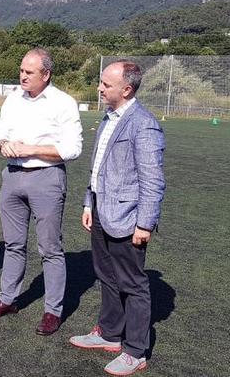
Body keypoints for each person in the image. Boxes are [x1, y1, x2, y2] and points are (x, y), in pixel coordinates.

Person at [69, 60, 165, 376]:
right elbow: (99, 168)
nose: (99, 88)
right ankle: (110, 334)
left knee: (133, 284)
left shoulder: (144, 124)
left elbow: (152, 179)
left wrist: (145, 223)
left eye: (106, 84)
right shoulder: (109, 117)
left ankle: (135, 350)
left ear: (126, 89)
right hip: (100, 210)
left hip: (127, 217)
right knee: (106, 275)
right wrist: (88, 203)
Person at [0, 48, 83, 336]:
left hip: (47, 178)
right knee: (13, 244)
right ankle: (7, 300)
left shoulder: (64, 103)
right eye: (21, 70)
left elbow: (73, 148)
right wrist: (3, 144)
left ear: (46, 74)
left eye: (29, 71)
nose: (22, 75)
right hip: (12, 176)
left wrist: (32, 149)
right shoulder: (13, 99)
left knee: (50, 248)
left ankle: (53, 310)